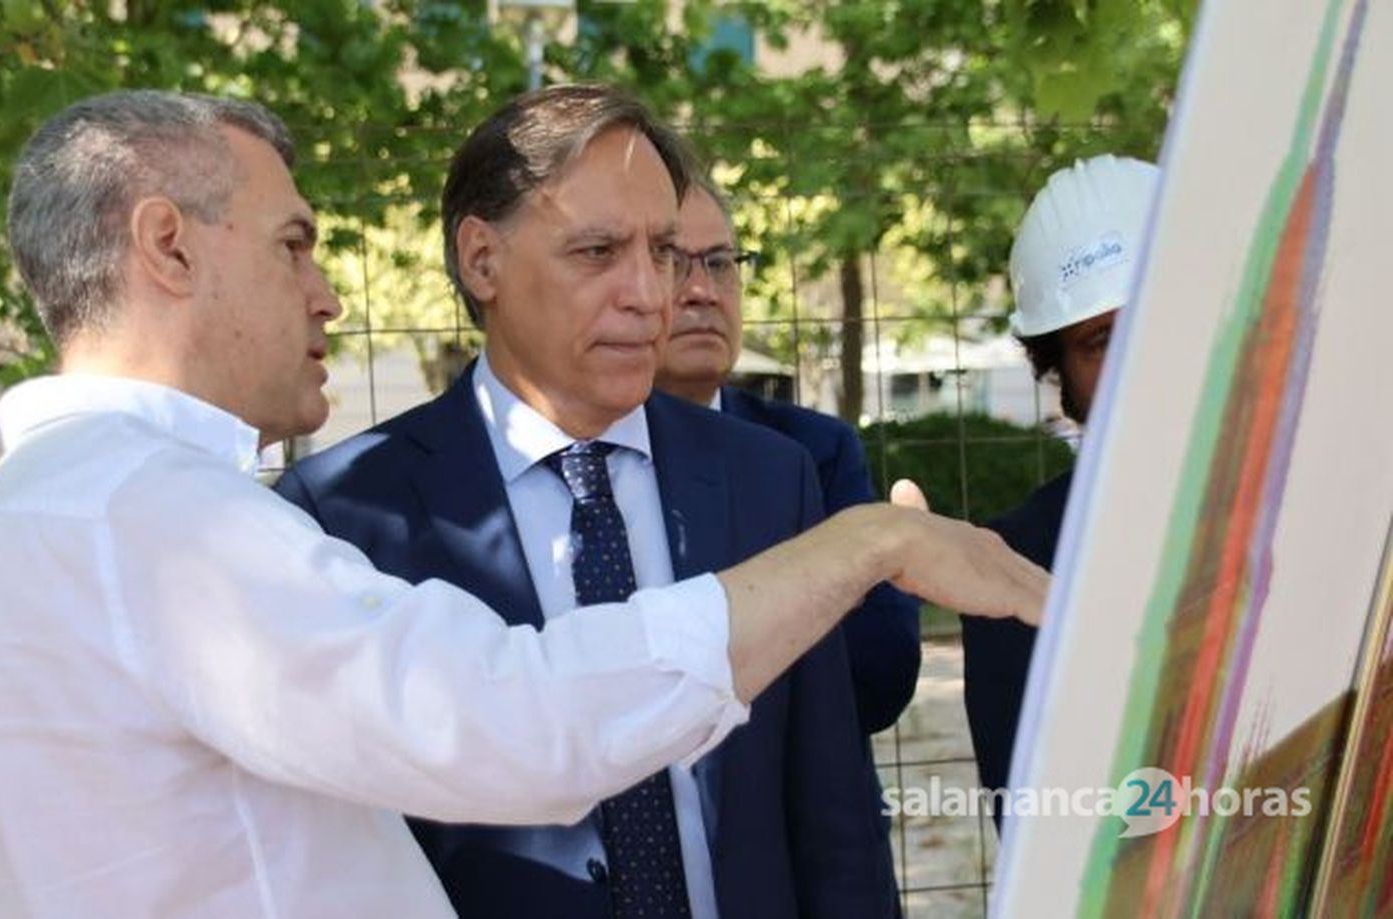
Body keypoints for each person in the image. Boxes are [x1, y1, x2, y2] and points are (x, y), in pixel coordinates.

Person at [0, 89, 1045, 919]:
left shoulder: (50, 515)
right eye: (294, 244)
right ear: (168, 244)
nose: (321, 290)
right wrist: (868, 543)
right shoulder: (154, 521)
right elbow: (517, 726)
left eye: (666, 251)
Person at [278, 84, 881, 919]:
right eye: (598, 252)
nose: (650, 293)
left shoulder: (769, 478)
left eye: (665, 251)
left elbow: (833, 810)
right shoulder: (348, 513)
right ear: (480, 259)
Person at [652, 175, 920, 913]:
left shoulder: (810, 452)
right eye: (674, 261)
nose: (702, 289)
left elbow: (875, 672)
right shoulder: (584, 467)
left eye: (721, 262)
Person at [959, 154, 1160, 822]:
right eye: (1101, 339)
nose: (1138, 356)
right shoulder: (1016, 561)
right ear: (1059, 371)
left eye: (1155, 314)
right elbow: (1035, 822)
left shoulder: (1323, 509)